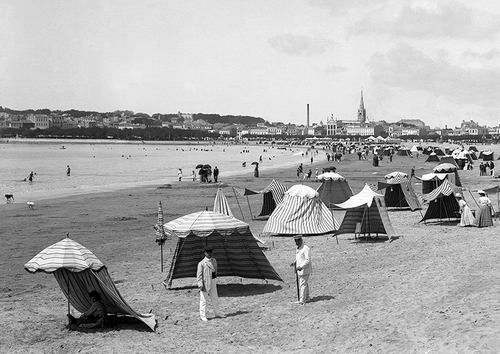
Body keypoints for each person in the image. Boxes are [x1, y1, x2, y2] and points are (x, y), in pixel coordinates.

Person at [197, 246, 224, 321]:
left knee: (215, 298)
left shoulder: (214, 260)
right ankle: (202, 315)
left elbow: (215, 270)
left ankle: (217, 313)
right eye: (208, 253)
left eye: (210, 252)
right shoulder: (201, 263)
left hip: (213, 280)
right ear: (205, 253)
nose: (209, 254)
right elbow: (199, 276)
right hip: (205, 283)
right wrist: (200, 284)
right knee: (204, 300)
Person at [290, 235, 312, 305]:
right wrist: (294, 262)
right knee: (304, 284)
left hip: (304, 270)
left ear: (301, 240)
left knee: (302, 285)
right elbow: (299, 258)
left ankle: (302, 300)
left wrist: (301, 266)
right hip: (299, 270)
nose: (297, 242)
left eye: (298, 240)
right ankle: (307, 297)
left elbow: (307, 260)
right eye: (296, 241)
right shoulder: (298, 248)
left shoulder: (306, 248)